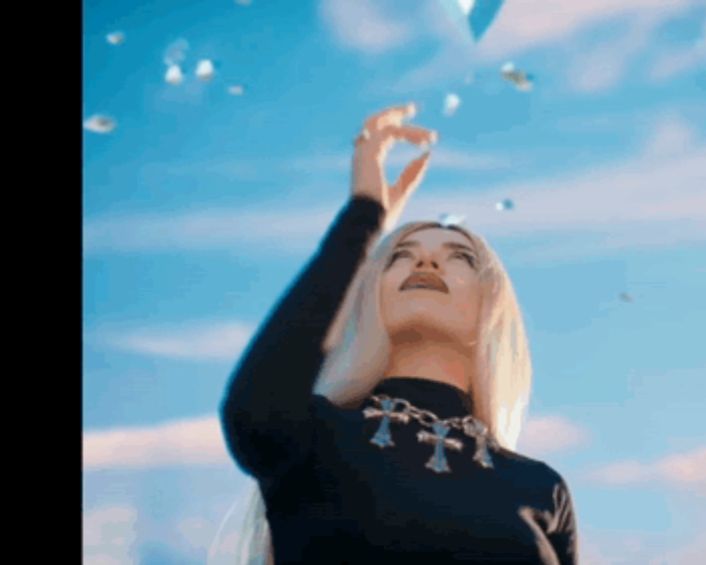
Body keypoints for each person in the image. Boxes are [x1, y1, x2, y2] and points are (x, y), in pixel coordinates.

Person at [212, 103, 579, 564]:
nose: (426, 262)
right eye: (401, 254)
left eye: (460, 257)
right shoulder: (313, 437)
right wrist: (365, 216)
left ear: (492, 306)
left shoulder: (542, 488)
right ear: (371, 290)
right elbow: (255, 408)